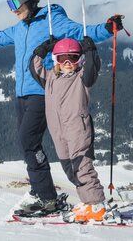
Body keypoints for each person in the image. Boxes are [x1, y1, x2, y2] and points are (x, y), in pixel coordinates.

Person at [0, 0, 123, 214]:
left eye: (15, 3)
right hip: (22, 95)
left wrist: (108, 28)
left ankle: (46, 196)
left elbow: (82, 32)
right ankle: (43, 193)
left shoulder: (52, 21)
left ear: (30, 0)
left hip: (42, 91)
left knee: (28, 141)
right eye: (9, 4)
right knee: (28, 144)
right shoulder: (19, 28)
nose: (12, 9)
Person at [31, 36, 116, 223]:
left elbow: (93, 68)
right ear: (56, 60)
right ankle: (87, 201)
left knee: (82, 166)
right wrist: (42, 49)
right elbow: (34, 67)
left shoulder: (82, 78)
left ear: (80, 60)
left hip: (78, 128)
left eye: (73, 58)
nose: (68, 63)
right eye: (62, 59)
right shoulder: (50, 78)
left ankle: (96, 204)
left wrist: (90, 50)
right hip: (58, 132)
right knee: (70, 168)